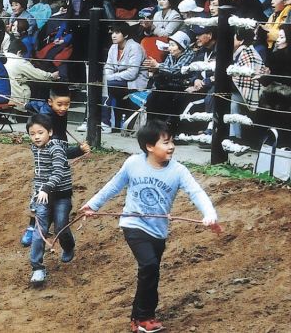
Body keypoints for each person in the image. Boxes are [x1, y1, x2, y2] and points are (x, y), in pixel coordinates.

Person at [80, 119, 221, 333]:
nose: (171, 146)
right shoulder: (133, 164)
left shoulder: (179, 171)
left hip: (158, 230)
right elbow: (114, 185)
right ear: (149, 146)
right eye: (165, 142)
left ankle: (139, 318)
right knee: (149, 266)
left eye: (172, 141)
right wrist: (93, 204)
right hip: (133, 223)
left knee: (151, 272)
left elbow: (196, 192)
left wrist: (210, 214)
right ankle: (145, 317)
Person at [22, 85, 90, 246]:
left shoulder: (53, 110)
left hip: (58, 148)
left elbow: (37, 104)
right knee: (41, 194)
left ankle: (42, 225)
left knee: (51, 195)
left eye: (67, 104)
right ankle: (33, 227)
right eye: (60, 104)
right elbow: (61, 152)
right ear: (50, 102)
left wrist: (27, 105)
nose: (64, 108)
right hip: (49, 159)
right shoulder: (47, 121)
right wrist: (79, 150)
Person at [27, 113, 76, 285]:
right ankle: (37, 267)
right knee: (39, 231)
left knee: (61, 226)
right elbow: (38, 175)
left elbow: (58, 171)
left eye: (40, 132)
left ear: (50, 132)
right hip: (43, 197)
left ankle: (68, 246)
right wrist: (35, 196)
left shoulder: (56, 148)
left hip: (61, 195)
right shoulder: (35, 149)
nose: (36, 137)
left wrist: (46, 188)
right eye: (32, 134)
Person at [142, 31, 195, 133]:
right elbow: (166, 70)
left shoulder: (189, 55)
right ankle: (150, 129)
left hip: (181, 87)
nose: (169, 48)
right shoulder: (171, 55)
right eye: (169, 45)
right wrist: (156, 68)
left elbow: (176, 70)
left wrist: (158, 66)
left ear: (182, 46)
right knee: (151, 99)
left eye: (172, 45)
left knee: (165, 100)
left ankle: (164, 131)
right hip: (168, 85)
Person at [102, 22, 149, 132]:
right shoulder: (113, 47)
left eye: (117, 32)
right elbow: (108, 66)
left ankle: (106, 123)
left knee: (106, 84)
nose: (113, 35)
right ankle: (103, 122)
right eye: (112, 32)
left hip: (134, 82)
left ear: (126, 35)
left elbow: (132, 73)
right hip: (118, 80)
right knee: (102, 84)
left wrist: (111, 77)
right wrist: (109, 76)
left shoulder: (135, 47)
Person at [5, 39, 59, 110]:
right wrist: (51, 76)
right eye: (22, 55)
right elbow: (37, 74)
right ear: (19, 52)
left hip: (5, 97)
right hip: (18, 99)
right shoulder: (19, 61)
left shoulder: (2, 57)